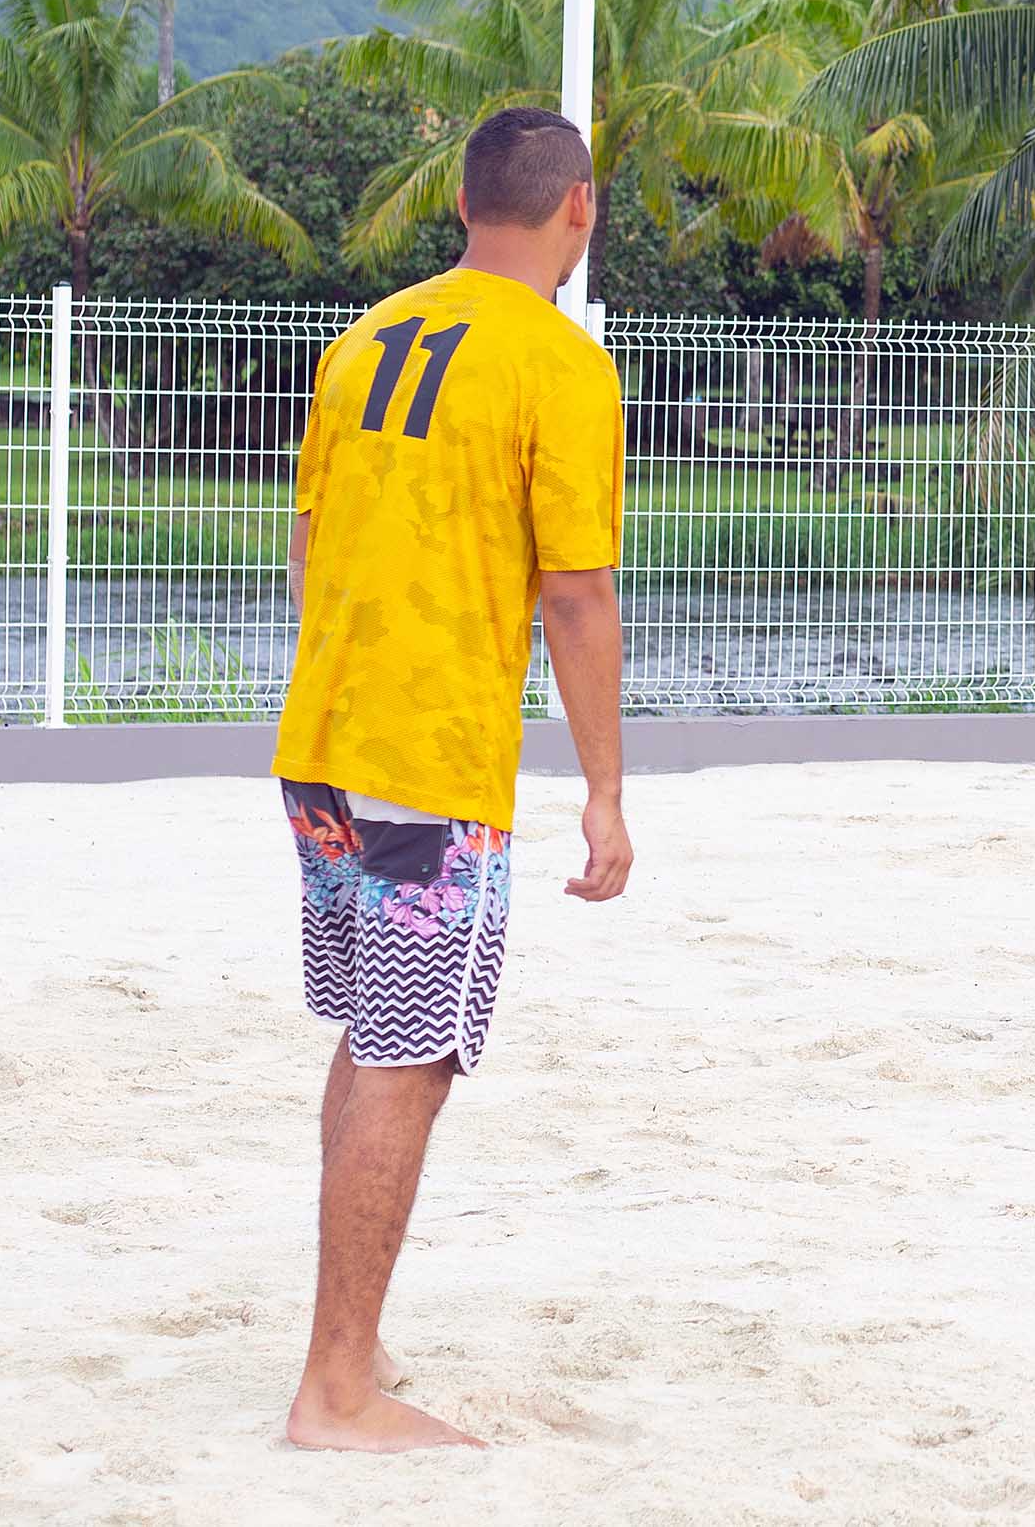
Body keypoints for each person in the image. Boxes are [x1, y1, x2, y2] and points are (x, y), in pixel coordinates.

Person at [271, 106, 632, 1449]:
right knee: (410, 1058)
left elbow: (306, 545)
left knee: (373, 1037)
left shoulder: (366, 334)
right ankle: (338, 1385)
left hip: (324, 739)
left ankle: (345, 1345)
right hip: (428, 762)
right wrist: (604, 787)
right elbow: (580, 595)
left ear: (468, 199)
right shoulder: (558, 358)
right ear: (577, 208)